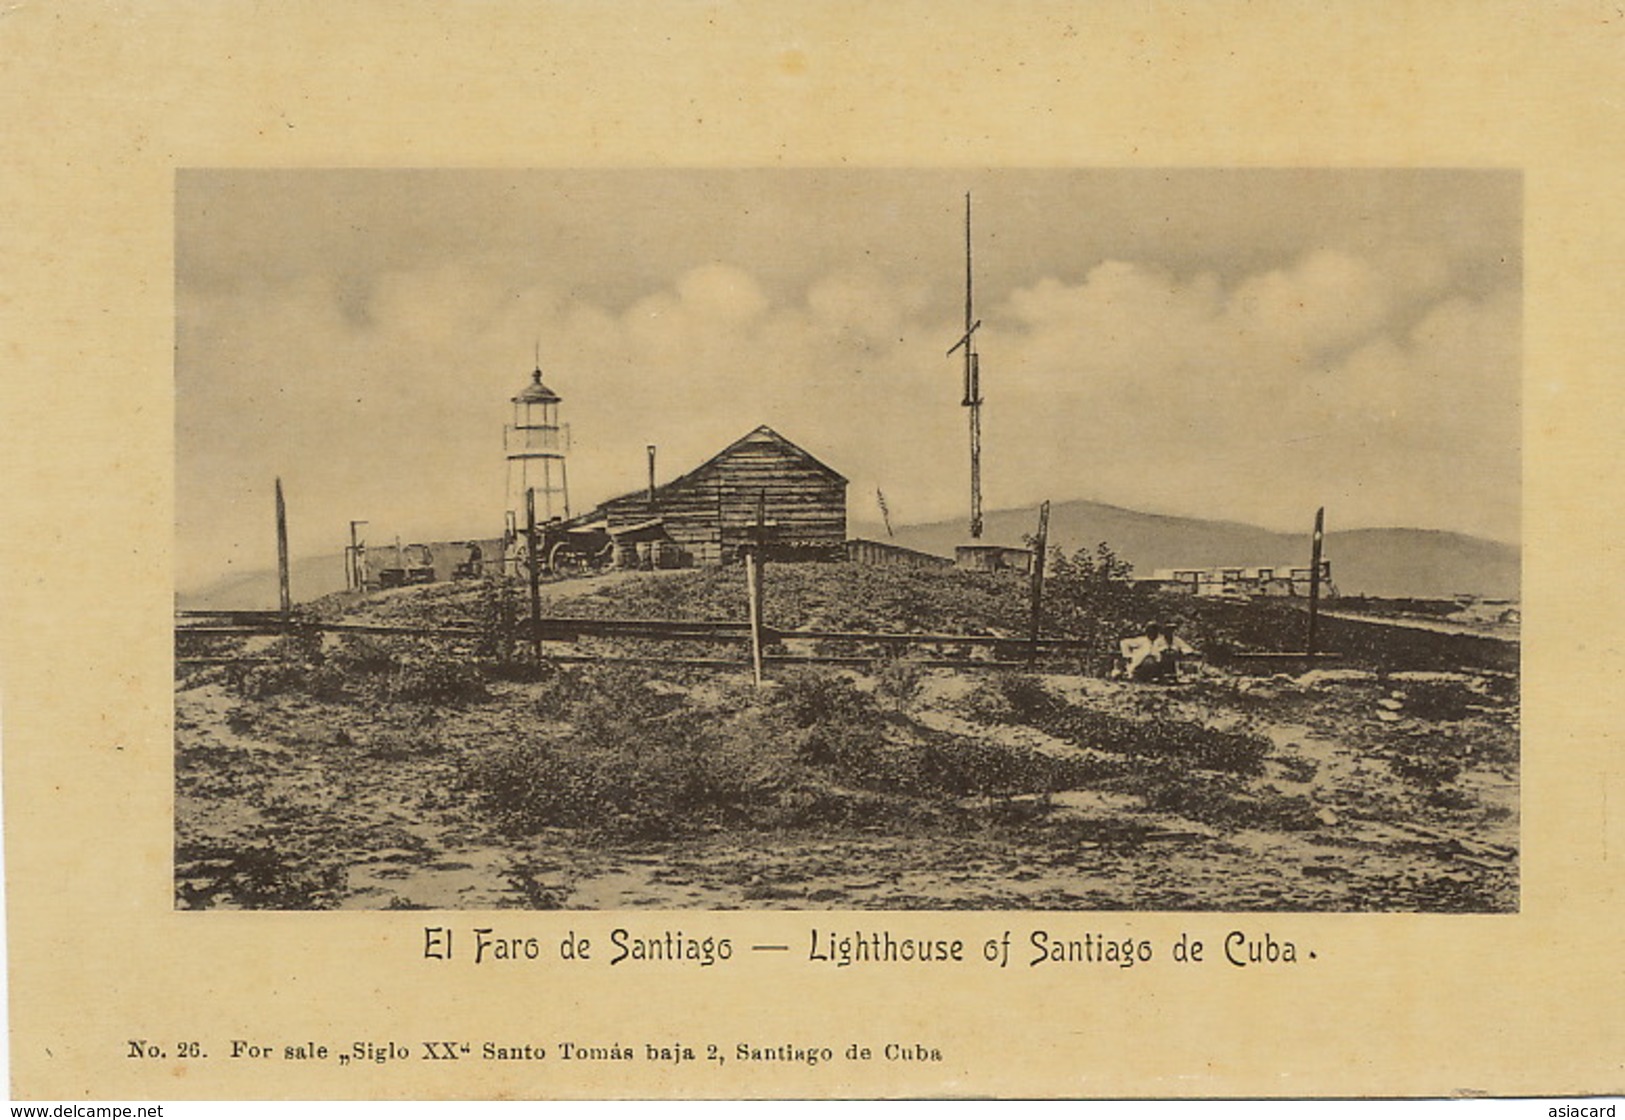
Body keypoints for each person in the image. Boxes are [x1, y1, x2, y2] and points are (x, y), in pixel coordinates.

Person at [1121, 622, 1195, 682]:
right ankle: (1142, 676)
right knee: (1150, 661)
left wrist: (1182, 652)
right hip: (1141, 663)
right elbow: (1124, 642)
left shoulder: (1162, 640)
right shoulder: (1141, 640)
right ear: (1147, 632)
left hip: (1159, 663)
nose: (1153, 633)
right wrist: (1127, 655)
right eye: (1151, 631)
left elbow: (1186, 648)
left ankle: (1167, 676)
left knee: (1167, 658)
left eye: (1155, 631)